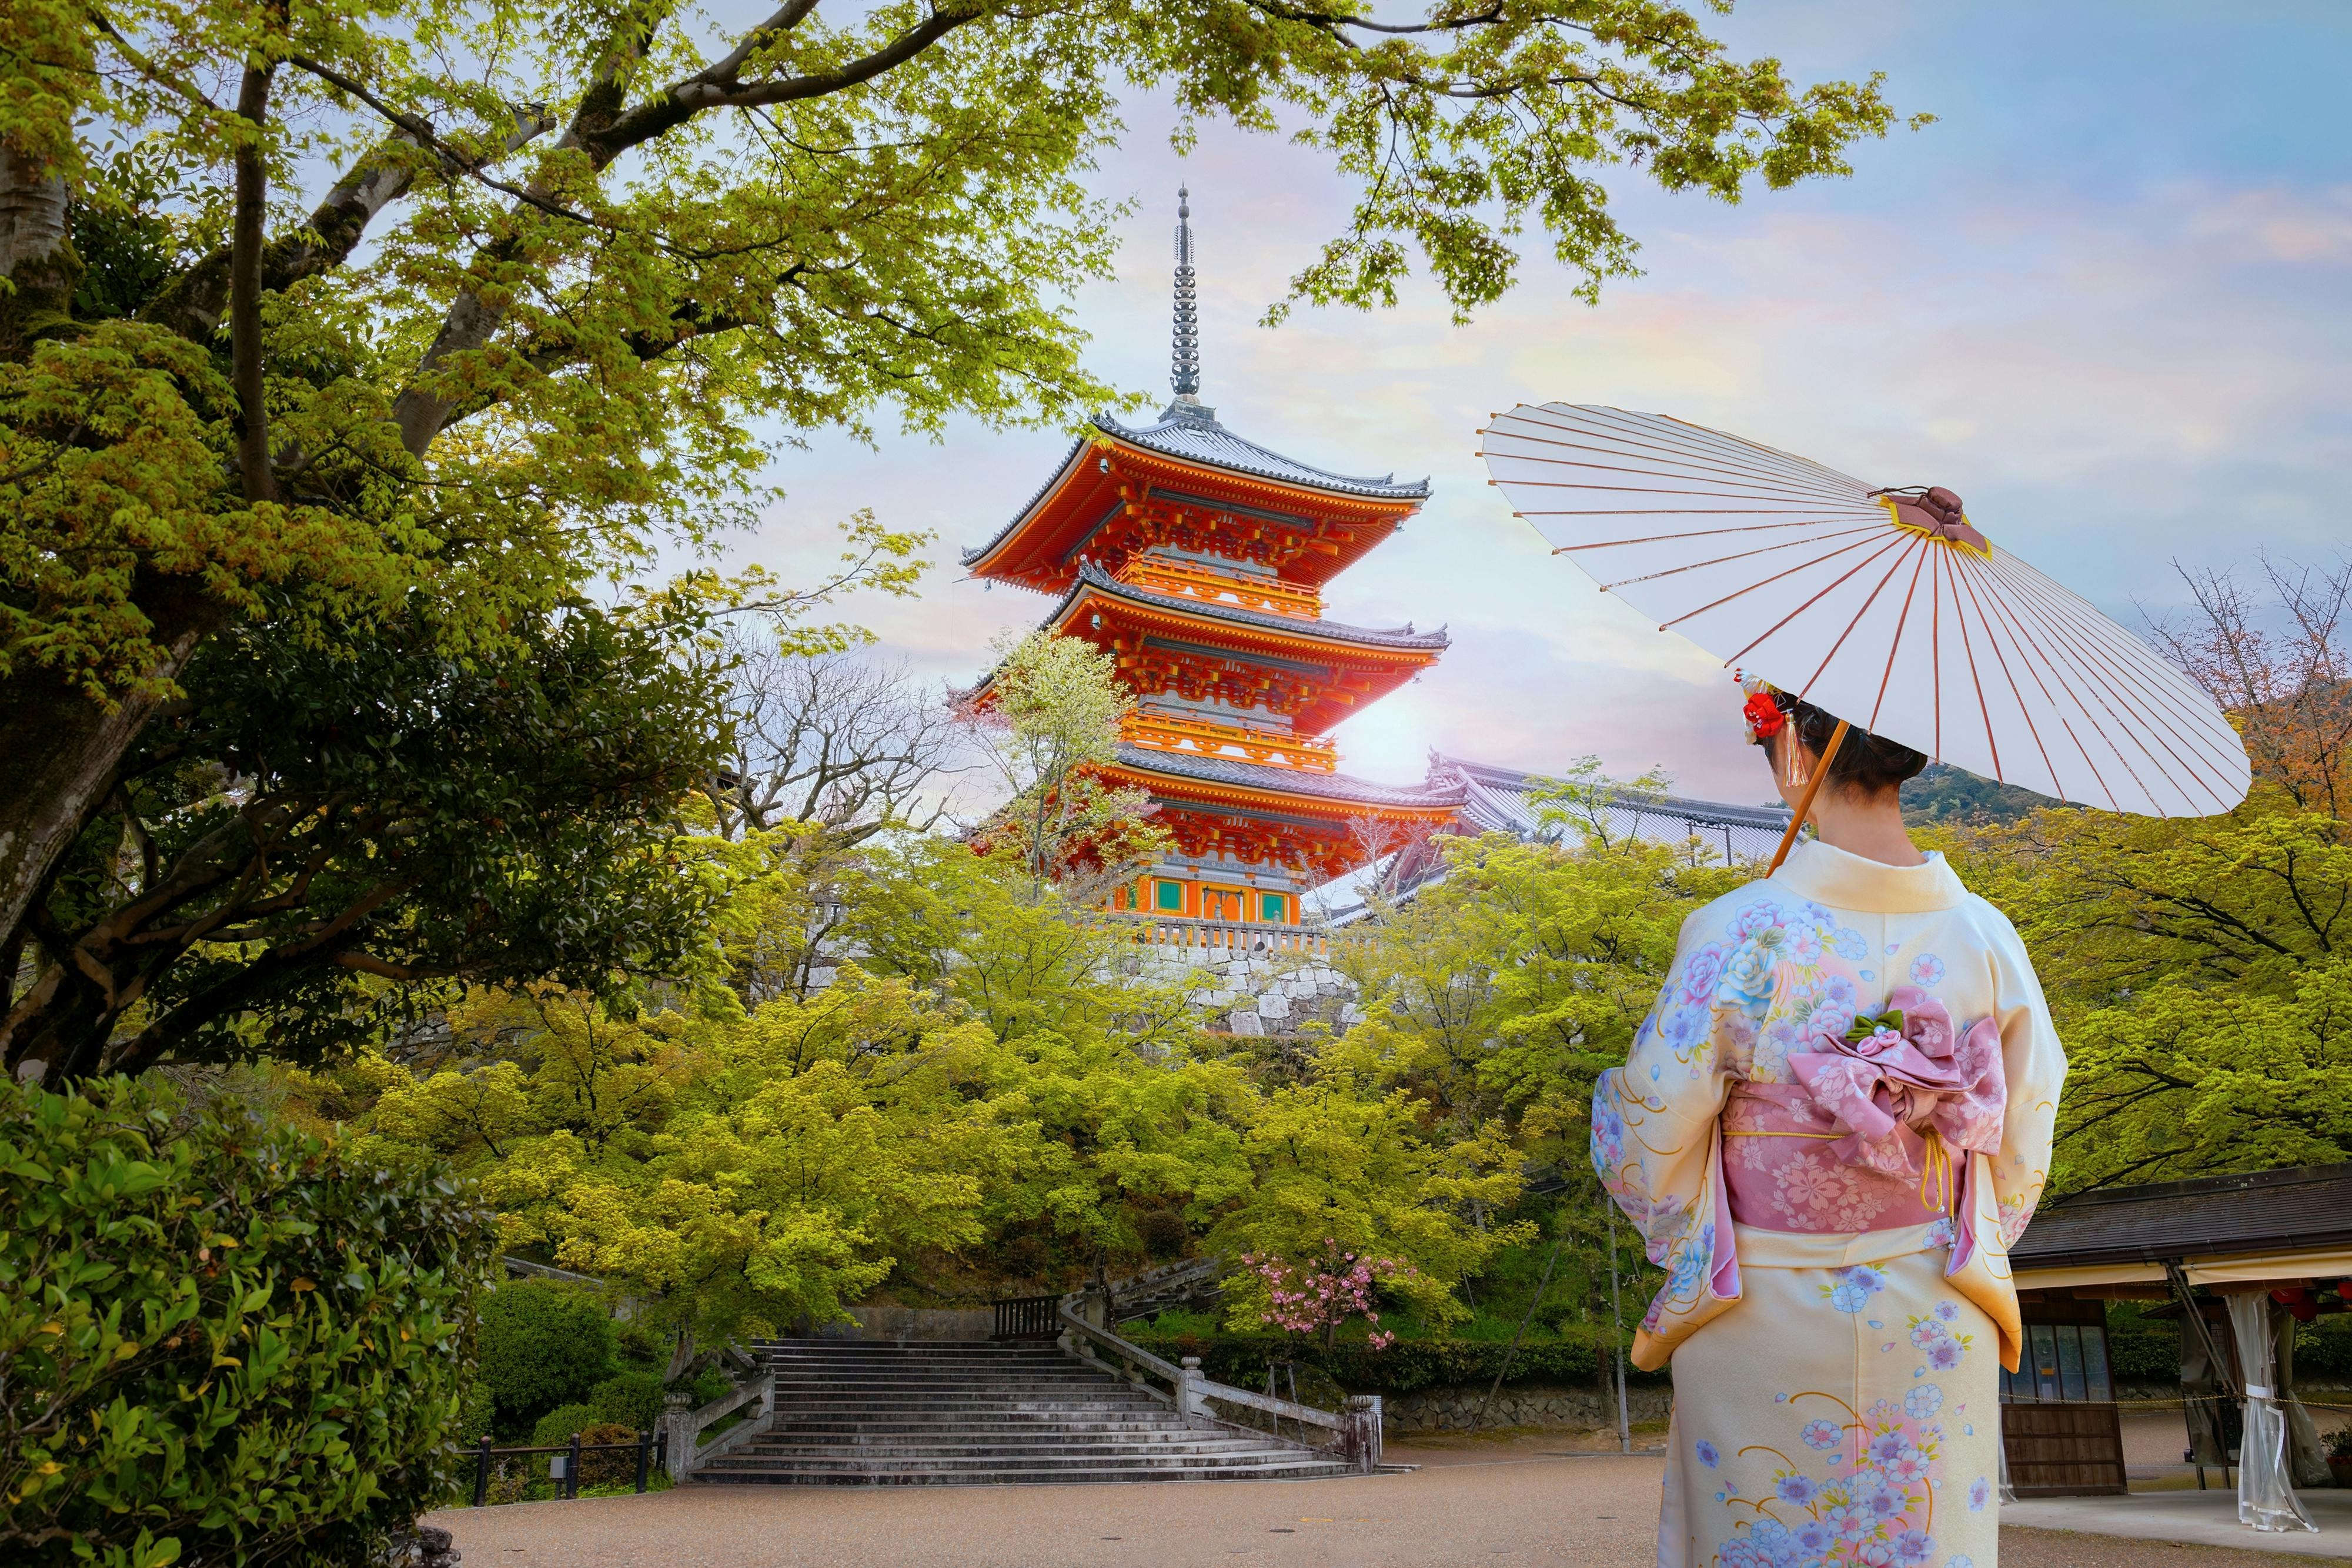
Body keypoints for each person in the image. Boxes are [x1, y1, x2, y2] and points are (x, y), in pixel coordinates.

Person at [1592, 680, 2064, 1568]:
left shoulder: (1742, 929)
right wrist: (1949, 1227)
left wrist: (1680, 1223)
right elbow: (2025, 1131)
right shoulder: (1989, 938)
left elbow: (1652, 1122)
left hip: (1760, 1305)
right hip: (1933, 1304)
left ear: (1799, 753)